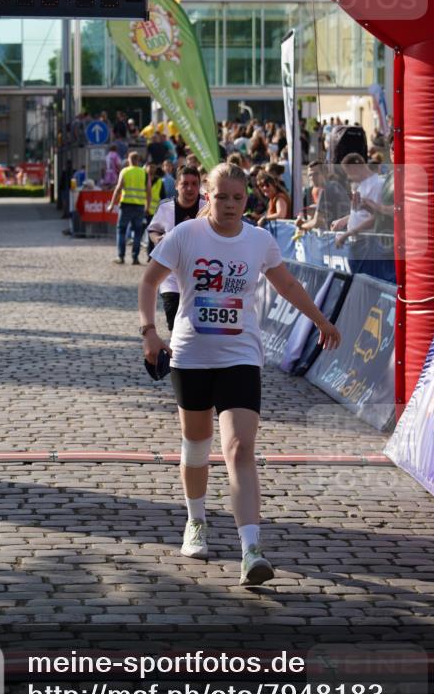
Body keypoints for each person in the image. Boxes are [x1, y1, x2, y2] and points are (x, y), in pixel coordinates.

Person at [138, 162, 341, 586]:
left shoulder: (259, 240)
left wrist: (321, 320)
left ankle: (251, 549)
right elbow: (149, 282)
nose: (230, 205)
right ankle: (196, 521)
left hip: (242, 356)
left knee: (239, 448)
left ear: (248, 199)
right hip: (191, 355)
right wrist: (150, 333)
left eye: (238, 197)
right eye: (222, 196)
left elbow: (287, 285)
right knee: (197, 448)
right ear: (207, 196)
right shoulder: (185, 235)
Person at [146, 165, 204, 330]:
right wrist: (158, 239)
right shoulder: (166, 207)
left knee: (197, 328)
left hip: (201, 279)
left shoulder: (207, 207)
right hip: (171, 278)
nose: (190, 188)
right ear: (177, 185)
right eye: (185, 184)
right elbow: (153, 229)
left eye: (194, 184)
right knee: (174, 325)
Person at [330, 152, 385, 248]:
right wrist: (344, 220)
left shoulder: (377, 184)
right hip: (359, 243)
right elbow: (362, 212)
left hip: (368, 245)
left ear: (354, 168)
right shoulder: (362, 185)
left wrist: (348, 234)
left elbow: (377, 217)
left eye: (348, 173)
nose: (348, 177)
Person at [106, 150, 148, 265]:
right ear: (138, 160)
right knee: (138, 232)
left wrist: (111, 204)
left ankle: (121, 256)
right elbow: (148, 190)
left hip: (126, 206)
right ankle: (135, 258)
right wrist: (147, 206)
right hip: (139, 206)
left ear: (129, 160)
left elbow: (118, 188)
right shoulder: (144, 172)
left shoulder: (125, 171)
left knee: (121, 230)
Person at [296, 160, 350, 232]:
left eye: (316, 174)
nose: (312, 178)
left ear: (325, 173)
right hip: (342, 235)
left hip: (338, 236)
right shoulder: (335, 185)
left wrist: (302, 226)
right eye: (310, 175)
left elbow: (317, 222)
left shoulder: (327, 189)